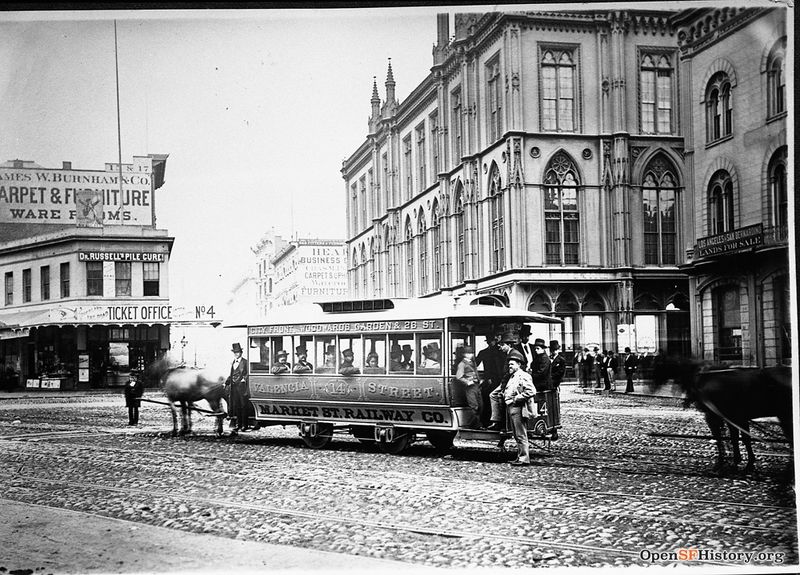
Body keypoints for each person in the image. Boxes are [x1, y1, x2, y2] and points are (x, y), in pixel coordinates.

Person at [501, 350, 536, 466]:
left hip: (518, 408)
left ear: (519, 364)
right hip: (512, 408)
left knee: (521, 434)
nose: (509, 366)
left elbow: (531, 391)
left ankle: (524, 458)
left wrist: (516, 399)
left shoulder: (523, 376)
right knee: (517, 435)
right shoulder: (513, 376)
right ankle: (520, 457)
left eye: (512, 364)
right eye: (509, 364)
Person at [475, 335, 506, 427]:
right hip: (491, 380)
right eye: (489, 341)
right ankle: (489, 421)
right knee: (488, 399)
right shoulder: (484, 352)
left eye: (492, 341)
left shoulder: (500, 352)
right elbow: (475, 364)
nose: (491, 343)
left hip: (497, 380)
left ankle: (495, 422)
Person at [453, 345, 480, 428]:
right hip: (470, 387)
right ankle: (473, 425)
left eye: (471, 353)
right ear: (464, 354)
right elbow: (459, 376)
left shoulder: (472, 362)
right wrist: (468, 382)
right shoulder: (462, 364)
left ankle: (476, 424)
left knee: (480, 405)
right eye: (469, 353)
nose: (471, 355)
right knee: (474, 406)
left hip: (476, 386)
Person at [227, 342, 250, 434]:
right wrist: (226, 382)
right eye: (235, 352)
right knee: (237, 406)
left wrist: (244, 379)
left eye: (238, 352)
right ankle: (238, 424)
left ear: (241, 352)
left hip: (242, 387)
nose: (236, 354)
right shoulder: (233, 362)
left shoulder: (245, 362)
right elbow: (232, 374)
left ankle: (245, 425)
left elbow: (248, 373)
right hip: (234, 387)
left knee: (244, 405)